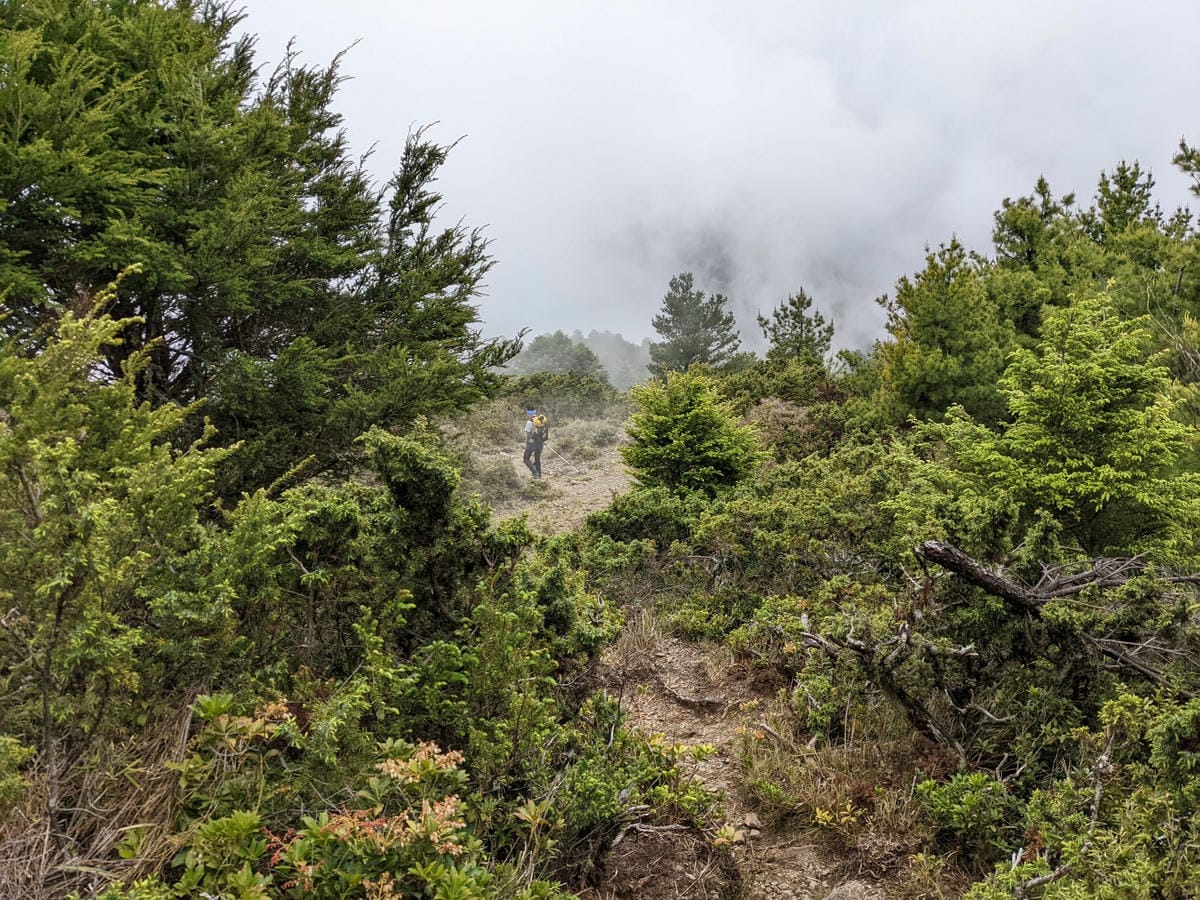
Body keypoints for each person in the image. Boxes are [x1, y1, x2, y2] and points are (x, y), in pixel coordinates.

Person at [523, 407, 549, 477]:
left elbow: (528, 435)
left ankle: (535, 472)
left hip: (532, 443)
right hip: (540, 443)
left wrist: (528, 443)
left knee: (526, 459)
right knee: (537, 460)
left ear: (529, 414)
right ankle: (539, 476)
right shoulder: (541, 421)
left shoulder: (529, 422)